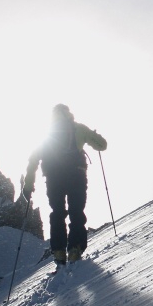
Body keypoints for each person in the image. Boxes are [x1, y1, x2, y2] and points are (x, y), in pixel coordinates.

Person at [23, 104, 107, 266]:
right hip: (76, 175)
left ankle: (59, 251)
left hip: (54, 178)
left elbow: (33, 160)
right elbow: (102, 146)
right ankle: (75, 248)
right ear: (68, 113)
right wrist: (94, 136)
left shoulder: (47, 134)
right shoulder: (77, 128)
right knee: (76, 210)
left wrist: (28, 185)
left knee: (58, 213)